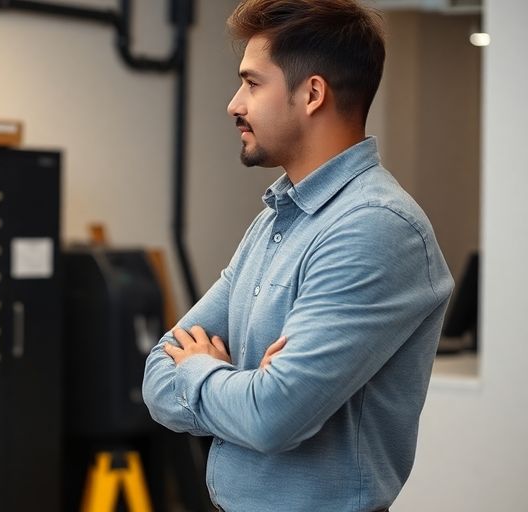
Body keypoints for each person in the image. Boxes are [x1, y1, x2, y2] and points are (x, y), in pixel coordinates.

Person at [141, 1, 454, 511]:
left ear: (311, 94)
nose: (233, 104)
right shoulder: (275, 218)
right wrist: (245, 386)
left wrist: (203, 372)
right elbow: (157, 373)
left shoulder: (374, 227)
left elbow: (272, 417)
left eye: (252, 83)